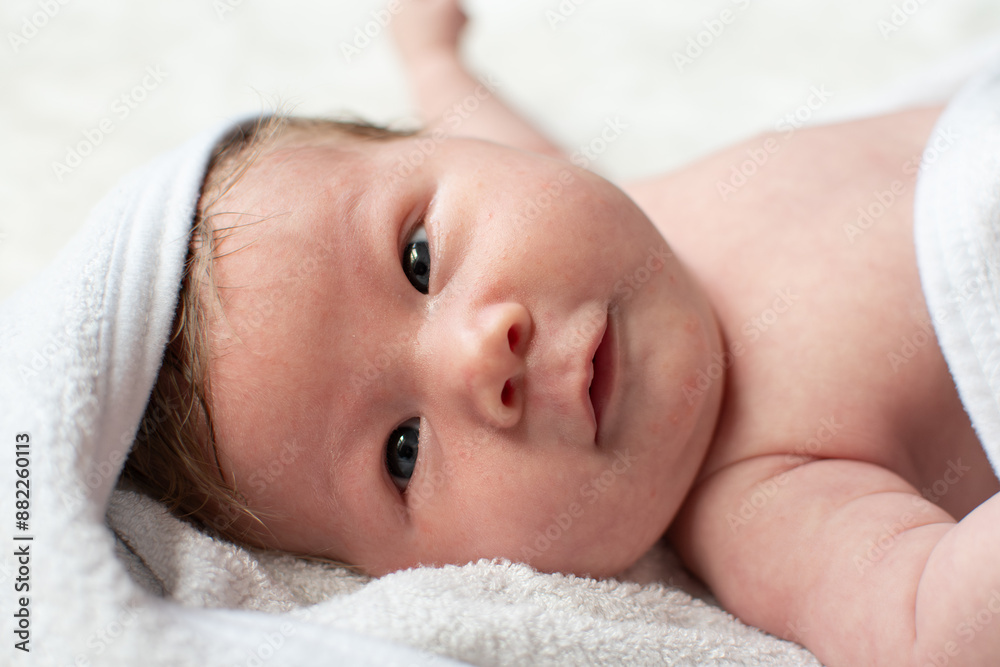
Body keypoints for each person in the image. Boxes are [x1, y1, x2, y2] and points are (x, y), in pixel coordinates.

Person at [122, 1, 1000, 664]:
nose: (479, 357)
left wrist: (433, 62)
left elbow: (487, 143)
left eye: (419, 259)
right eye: (401, 450)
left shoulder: (608, 208)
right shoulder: (761, 499)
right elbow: (932, 624)